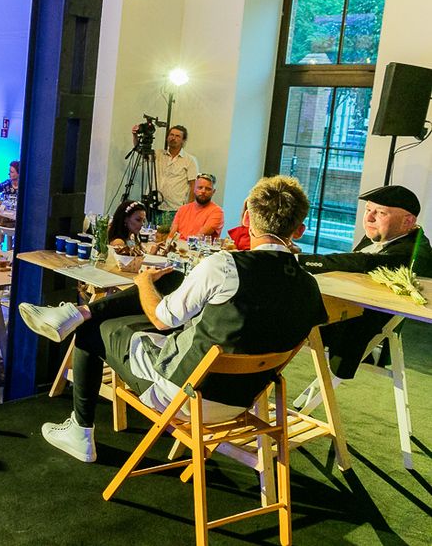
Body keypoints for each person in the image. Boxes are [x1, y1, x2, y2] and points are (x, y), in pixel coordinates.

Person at [19, 175, 326, 463]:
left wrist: (143, 282)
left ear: (246, 218)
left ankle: (80, 430)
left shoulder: (224, 266)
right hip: (242, 399)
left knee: (93, 329)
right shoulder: (309, 287)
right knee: (173, 278)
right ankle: (76, 313)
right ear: (299, 230)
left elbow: (162, 320)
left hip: (184, 393)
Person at [299, 185, 432, 379]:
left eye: (380, 213)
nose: (369, 218)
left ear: (408, 221)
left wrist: (300, 261)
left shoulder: (413, 251)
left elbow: (362, 262)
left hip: (354, 330)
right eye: (368, 209)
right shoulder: (385, 234)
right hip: (343, 312)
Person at [155, 125, 199, 227]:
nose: (173, 138)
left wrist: (189, 209)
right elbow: (140, 153)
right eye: (171, 135)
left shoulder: (189, 160)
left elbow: (194, 185)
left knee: (170, 236)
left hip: (174, 209)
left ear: (183, 141)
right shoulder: (158, 154)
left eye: (177, 136)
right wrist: (135, 136)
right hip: (154, 206)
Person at [168, 173, 224, 238]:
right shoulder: (182, 209)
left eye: (208, 189)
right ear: (194, 189)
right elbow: (171, 235)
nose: (203, 191)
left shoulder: (217, 212)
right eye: (200, 187)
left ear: (213, 192)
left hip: (196, 244)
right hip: (178, 244)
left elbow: (199, 237)